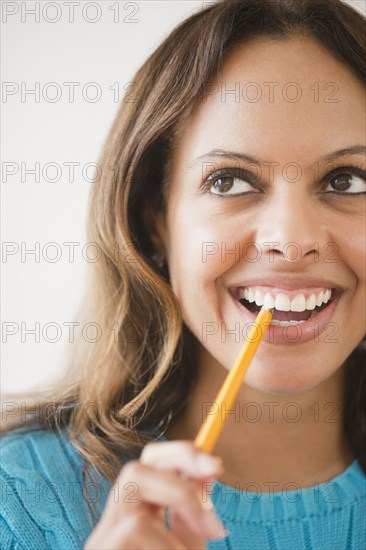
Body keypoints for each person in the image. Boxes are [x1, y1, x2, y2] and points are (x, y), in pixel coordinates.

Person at [1, 0, 365, 548]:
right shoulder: (20, 500)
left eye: (347, 181)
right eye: (229, 181)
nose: (291, 241)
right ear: (154, 223)